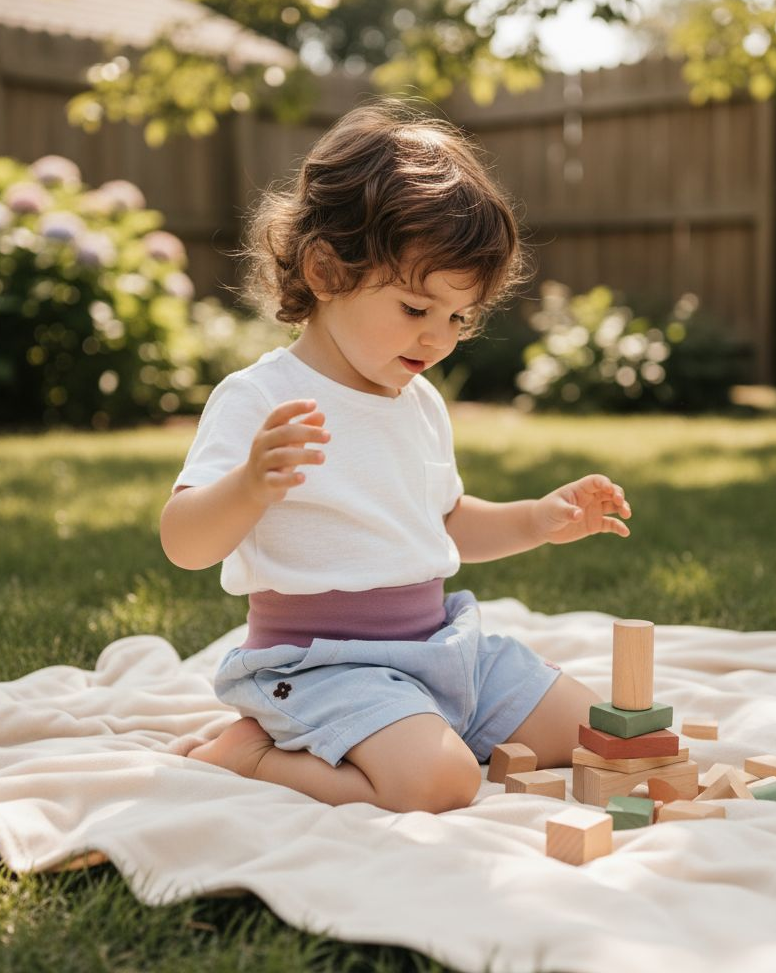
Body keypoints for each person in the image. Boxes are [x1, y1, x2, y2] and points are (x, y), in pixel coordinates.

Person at [160, 98, 631, 814]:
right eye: (416, 309)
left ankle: (416, 727)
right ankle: (250, 753)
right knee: (442, 783)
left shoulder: (419, 402)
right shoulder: (260, 398)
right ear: (325, 271)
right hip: (323, 668)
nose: (438, 339)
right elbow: (183, 541)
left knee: (604, 730)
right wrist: (250, 485)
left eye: (458, 318)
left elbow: (444, 522)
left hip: (442, 650)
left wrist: (537, 519)